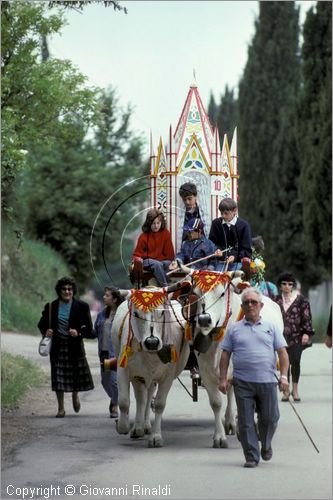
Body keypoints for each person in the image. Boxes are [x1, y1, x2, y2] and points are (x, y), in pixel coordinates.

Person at [219, 287, 289, 468]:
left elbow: (282, 353)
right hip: (242, 382)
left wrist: (283, 377)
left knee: (271, 418)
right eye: (246, 302)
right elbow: (225, 354)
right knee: (245, 421)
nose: (250, 305)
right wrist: (223, 379)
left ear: (261, 305)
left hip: (267, 381)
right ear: (242, 306)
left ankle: (266, 444)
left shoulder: (271, 327)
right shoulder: (234, 329)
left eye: (254, 302)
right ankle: (251, 456)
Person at [38, 276, 94, 418]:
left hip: (74, 346)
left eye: (69, 289)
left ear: (73, 290)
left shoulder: (82, 306)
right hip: (58, 347)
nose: (67, 291)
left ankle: (75, 395)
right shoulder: (51, 306)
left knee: (75, 375)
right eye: (64, 289)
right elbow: (41, 324)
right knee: (58, 378)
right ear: (59, 290)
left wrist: (78, 332)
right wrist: (46, 331)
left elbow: (90, 330)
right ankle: (61, 408)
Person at [275, 271, 314, 402]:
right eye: (284, 284)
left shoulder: (301, 300)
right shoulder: (275, 301)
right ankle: (285, 391)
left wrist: (306, 333)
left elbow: (307, 318)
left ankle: (295, 390)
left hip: (297, 336)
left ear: (293, 286)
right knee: (283, 363)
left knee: (295, 361)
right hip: (280, 337)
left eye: (290, 284)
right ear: (280, 286)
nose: (287, 286)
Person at [93, 286, 124, 418]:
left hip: (116, 354)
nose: (104, 297)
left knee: (114, 382)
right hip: (104, 353)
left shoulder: (122, 315)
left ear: (115, 299)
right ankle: (117, 399)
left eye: (107, 295)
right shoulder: (101, 314)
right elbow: (95, 331)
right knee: (105, 382)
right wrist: (80, 332)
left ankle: (115, 405)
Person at [132, 208, 175, 287]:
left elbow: (170, 256)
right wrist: (138, 259)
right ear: (149, 223)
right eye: (153, 223)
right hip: (147, 261)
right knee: (156, 264)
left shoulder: (165, 233)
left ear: (161, 223)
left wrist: (167, 262)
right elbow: (136, 255)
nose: (156, 226)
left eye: (158, 223)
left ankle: (163, 285)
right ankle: (166, 287)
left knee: (167, 263)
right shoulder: (143, 236)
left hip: (161, 262)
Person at [209, 197, 252, 272]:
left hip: (237, 262)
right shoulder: (216, 223)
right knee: (218, 279)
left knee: (236, 279)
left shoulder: (244, 226)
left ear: (234, 211)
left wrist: (234, 256)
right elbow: (211, 243)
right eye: (221, 213)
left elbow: (247, 250)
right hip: (221, 262)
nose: (223, 216)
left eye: (226, 213)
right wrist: (216, 250)